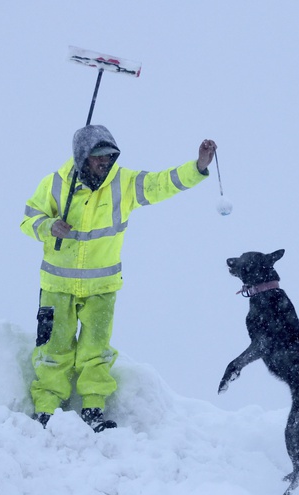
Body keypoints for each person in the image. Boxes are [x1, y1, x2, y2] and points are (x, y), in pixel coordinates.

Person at [21, 125, 217, 431]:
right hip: (56, 287)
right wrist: (48, 227)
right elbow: (27, 219)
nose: (105, 162)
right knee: (53, 351)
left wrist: (198, 167)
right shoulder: (56, 183)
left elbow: (161, 183)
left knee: (95, 352)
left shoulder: (124, 183)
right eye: (98, 157)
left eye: (110, 156)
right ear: (83, 157)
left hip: (102, 288)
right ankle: (47, 410)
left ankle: (92, 409)